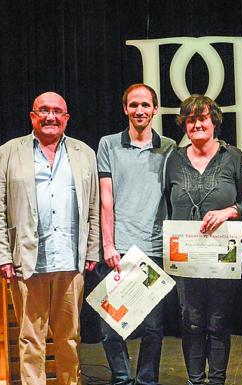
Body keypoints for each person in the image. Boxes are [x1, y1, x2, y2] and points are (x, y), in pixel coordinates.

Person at [0, 91, 100, 385]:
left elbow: (93, 208)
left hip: (70, 261)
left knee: (69, 338)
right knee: (31, 339)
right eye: (44, 111)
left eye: (57, 111)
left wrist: (92, 251)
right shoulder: (9, 152)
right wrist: (1, 255)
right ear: (33, 116)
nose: (51, 117)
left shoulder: (84, 153)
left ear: (66, 118)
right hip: (27, 261)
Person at [164, 94, 242, 385]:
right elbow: (164, 201)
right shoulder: (172, 159)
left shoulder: (233, 157)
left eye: (202, 118)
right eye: (191, 119)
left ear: (214, 120)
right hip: (185, 257)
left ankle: (217, 381)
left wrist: (229, 211)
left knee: (218, 321)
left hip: (221, 255)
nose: (197, 124)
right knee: (191, 321)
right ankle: (195, 380)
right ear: (184, 125)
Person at [96, 83, 176, 385]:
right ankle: (121, 378)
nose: (139, 110)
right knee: (110, 327)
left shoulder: (168, 147)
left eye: (145, 105)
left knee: (154, 328)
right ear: (125, 109)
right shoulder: (108, 144)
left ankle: (146, 380)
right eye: (133, 105)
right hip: (118, 249)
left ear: (155, 109)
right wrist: (108, 244)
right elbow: (106, 199)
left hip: (155, 248)